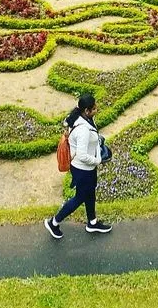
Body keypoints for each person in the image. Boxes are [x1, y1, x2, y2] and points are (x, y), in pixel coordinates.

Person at [45, 92, 112, 238]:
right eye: (94, 108)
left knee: (90, 193)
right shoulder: (82, 130)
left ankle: (92, 222)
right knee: (79, 198)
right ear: (86, 110)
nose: (96, 109)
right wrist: (98, 161)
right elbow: (82, 155)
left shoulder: (81, 118)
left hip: (86, 168)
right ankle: (54, 222)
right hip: (83, 169)